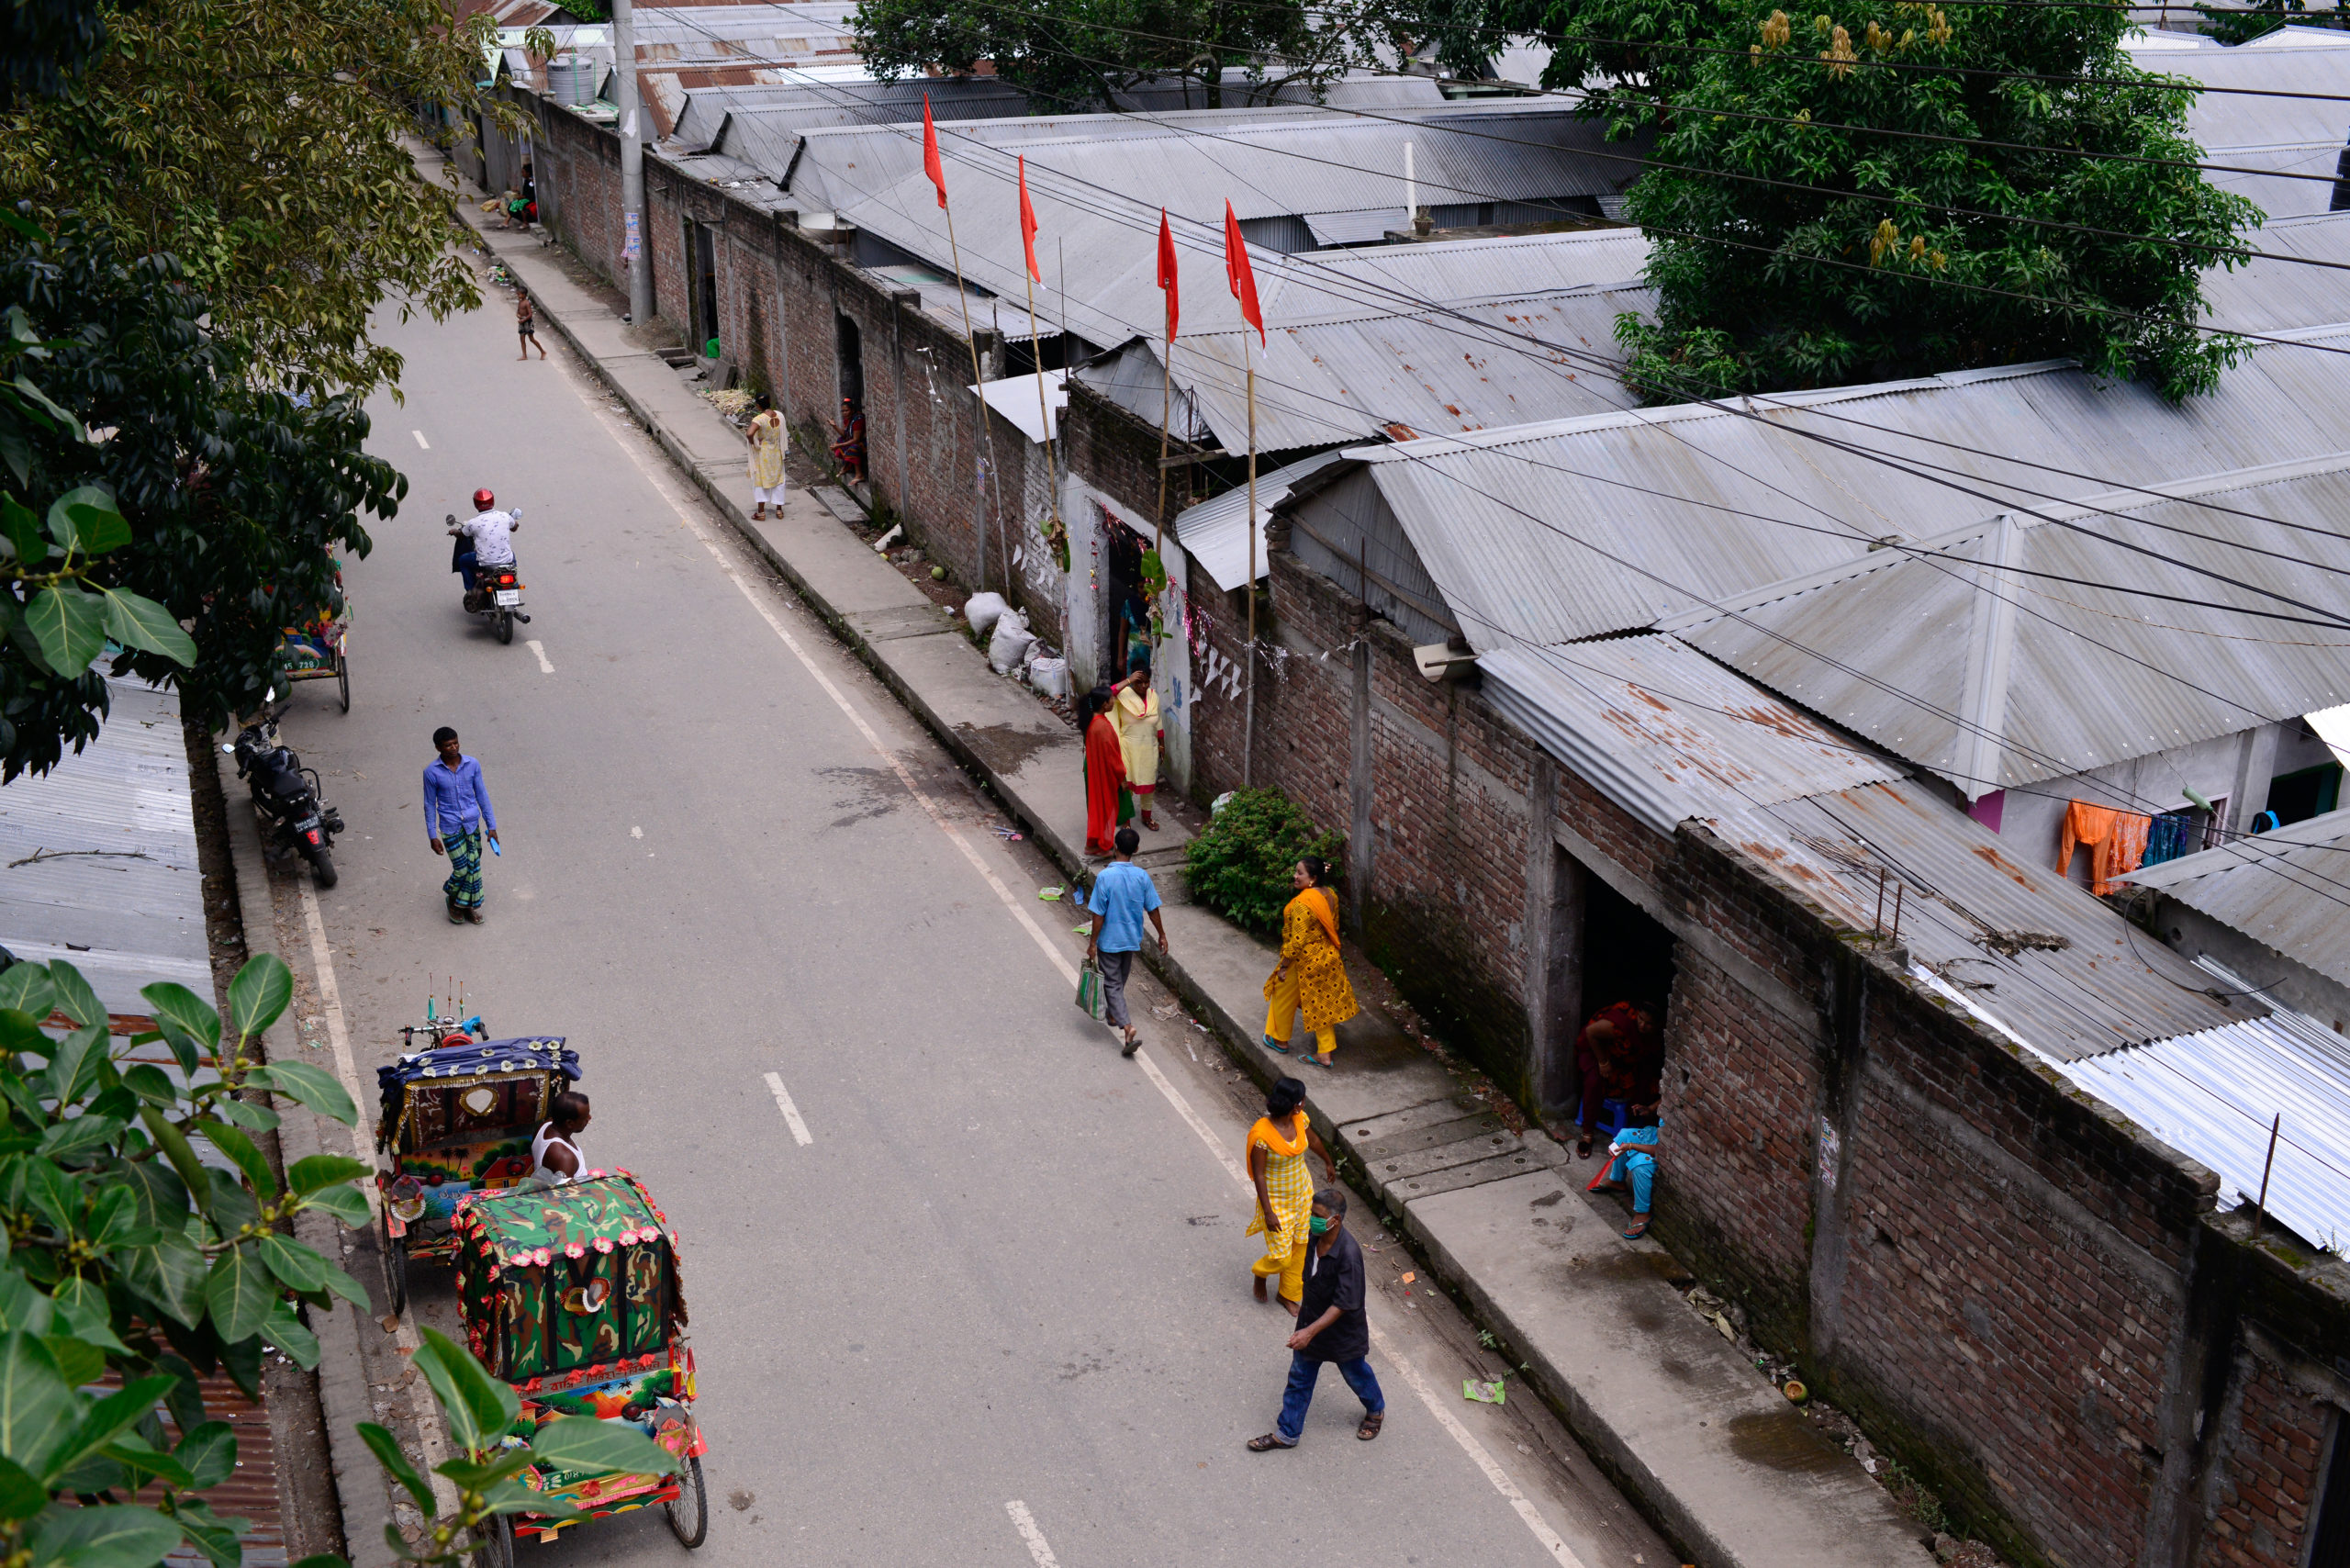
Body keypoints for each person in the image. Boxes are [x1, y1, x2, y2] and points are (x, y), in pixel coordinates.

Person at [1247, 1188, 1384, 1450]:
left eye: (1318, 1216)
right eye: (1311, 1213)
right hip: (1311, 1319)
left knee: (1355, 1373)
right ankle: (1287, 1433)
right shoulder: (1313, 1236)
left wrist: (1309, 1332)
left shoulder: (1349, 1255)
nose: (1312, 1220)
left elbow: (1344, 1303)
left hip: (1342, 1332)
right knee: (1299, 1377)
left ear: (1336, 1220)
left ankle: (1375, 1410)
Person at [1245, 1077, 1337, 1310]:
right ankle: (1260, 1272)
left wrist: (1328, 1161)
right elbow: (1259, 1175)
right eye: (1303, 1100)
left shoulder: (1300, 1119)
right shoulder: (1262, 1136)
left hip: (1303, 1195)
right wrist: (1268, 1212)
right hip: (1277, 1203)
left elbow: (1313, 1140)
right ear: (1296, 1105)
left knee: (1301, 1246)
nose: (1304, 1103)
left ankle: (1287, 1294)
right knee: (1281, 1257)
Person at [1263, 857, 1358, 1070]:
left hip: (1304, 960)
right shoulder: (1330, 895)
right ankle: (1324, 1053)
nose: (1295, 876)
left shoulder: (1302, 904)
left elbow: (1297, 942)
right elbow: (1333, 925)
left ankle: (1279, 1040)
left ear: (1313, 878)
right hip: (1328, 956)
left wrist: (1284, 966)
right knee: (1320, 1004)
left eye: (1300, 873)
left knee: (1281, 992)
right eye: (1296, 871)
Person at [1084, 825, 1168, 1058]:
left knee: (1112, 983)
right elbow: (1153, 909)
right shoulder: (1142, 877)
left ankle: (1127, 1027)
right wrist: (1162, 935)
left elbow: (1098, 914)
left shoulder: (1105, 877)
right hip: (1131, 938)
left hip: (1110, 940)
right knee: (1119, 979)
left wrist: (1092, 943)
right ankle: (1113, 1014)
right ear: (1136, 849)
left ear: (1115, 847)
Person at [423, 727, 499, 924]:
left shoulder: (472, 764)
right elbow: (429, 804)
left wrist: (491, 826)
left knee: (473, 867)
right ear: (438, 748)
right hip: (450, 827)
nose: (453, 747)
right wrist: (432, 836)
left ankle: (466, 906)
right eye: (448, 745)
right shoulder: (431, 772)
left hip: (472, 825)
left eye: (455, 743)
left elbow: (482, 795)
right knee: (462, 870)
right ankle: (453, 896)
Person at [1572, 1002, 1661, 1159]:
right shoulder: (1620, 1025)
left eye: (1648, 1024)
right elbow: (1590, 1032)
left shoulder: (1655, 1036)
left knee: (1646, 1082)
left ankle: (1637, 1121)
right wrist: (1603, 1062)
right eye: (1640, 1019)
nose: (1642, 1025)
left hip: (1625, 1061)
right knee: (1594, 1083)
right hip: (1598, 1053)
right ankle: (1587, 1133)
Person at [1113, 664, 1165, 833]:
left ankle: (1146, 817)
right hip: (1127, 747)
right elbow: (1106, 694)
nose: (1143, 686)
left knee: (1149, 782)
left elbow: (1158, 721)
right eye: (1138, 682)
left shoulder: (1153, 696)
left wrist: (1162, 744)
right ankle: (1126, 819)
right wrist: (1128, 681)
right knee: (1126, 785)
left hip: (1149, 747)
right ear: (1132, 681)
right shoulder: (1123, 695)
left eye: (1146, 682)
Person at [1081, 685, 1131, 857]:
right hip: (1104, 775)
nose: (1113, 701)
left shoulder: (1092, 722)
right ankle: (1103, 845)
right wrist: (1122, 777)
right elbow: (1113, 756)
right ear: (1104, 704)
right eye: (1111, 699)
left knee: (1097, 809)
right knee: (1106, 808)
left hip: (1095, 772)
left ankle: (1093, 844)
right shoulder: (1102, 726)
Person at [1593, 1113, 1661, 1240]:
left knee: (1640, 1165)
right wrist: (1648, 1110)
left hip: (1664, 1149)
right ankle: (1617, 1180)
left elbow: (1660, 1150)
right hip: (1655, 1136)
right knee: (1624, 1135)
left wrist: (1631, 1146)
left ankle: (1643, 1212)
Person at [448, 489, 521, 596]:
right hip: (506, 560)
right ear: (493, 500)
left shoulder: (473, 523)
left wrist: (454, 531)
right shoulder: (505, 516)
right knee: (511, 554)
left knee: (463, 560)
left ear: (476, 504)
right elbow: (514, 528)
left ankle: (472, 592)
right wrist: (514, 523)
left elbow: (461, 534)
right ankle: (514, 584)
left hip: (485, 562)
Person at [531, 1091, 591, 1184]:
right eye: (585, 1117)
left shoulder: (546, 1125)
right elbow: (565, 1192)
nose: (589, 1118)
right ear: (569, 1123)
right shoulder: (565, 1158)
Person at [746, 394, 788, 519]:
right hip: (777, 451)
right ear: (770, 401)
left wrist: (753, 443)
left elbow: (749, 433)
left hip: (764, 453)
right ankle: (779, 511)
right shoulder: (779, 416)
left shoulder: (759, 419)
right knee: (779, 479)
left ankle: (761, 513)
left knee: (761, 479)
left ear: (758, 406)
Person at [830, 397, 866, 482]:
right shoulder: (848, 419)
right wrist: (834, 426)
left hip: (862, 442)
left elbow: (856, 439)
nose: (844, 413)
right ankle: (847, 466)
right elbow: (845, 434)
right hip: (853, 439)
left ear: (852, 410)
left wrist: (839, 445)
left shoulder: (858, 420)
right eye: (843, 411)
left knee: (853, 448)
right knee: (840, 440)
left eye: (846, 411)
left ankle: (859, 475)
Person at [515, 290, 545, 361]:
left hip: (527, 322)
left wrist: (523, 320)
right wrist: (517, 315)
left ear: (524, 294)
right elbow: (518, 311)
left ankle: (543, 352)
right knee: (522, 338)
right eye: (518, 294)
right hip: (521, 322)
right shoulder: (520, 302)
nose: (518, 296)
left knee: (531, 339)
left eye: (519, 294)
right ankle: (524, 355)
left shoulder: (527, 303)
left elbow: (530, 314)